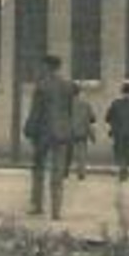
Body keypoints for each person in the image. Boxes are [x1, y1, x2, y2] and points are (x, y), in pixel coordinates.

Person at [24, 54, 77, 219]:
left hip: (44, 133)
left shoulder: (41, 86)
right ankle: (56, 211)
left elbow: (36, 112)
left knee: (38, 168)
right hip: (62, 133)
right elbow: (69, 110)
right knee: (58, 172)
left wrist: (29, 129)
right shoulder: (68, 86)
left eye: (42, 66)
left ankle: (38, 205)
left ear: (46, 66)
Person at [104, 82, 129, 182]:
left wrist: (113, 125)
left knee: (119, 152)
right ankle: (124, 170)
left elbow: (107, 118)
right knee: (127, 152)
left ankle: (122, 168)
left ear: (122, 92)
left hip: (118, 133)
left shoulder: (116, 104)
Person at [68, 85, 97, 181]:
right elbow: (92, 119)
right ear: (79, 93)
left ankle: (64, 171)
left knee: (67, 152)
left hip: (69, 132)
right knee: (81, 154)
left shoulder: (66, 104)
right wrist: (92, 135)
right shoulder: (86, 104)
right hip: (82, 132)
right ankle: (81, 173)